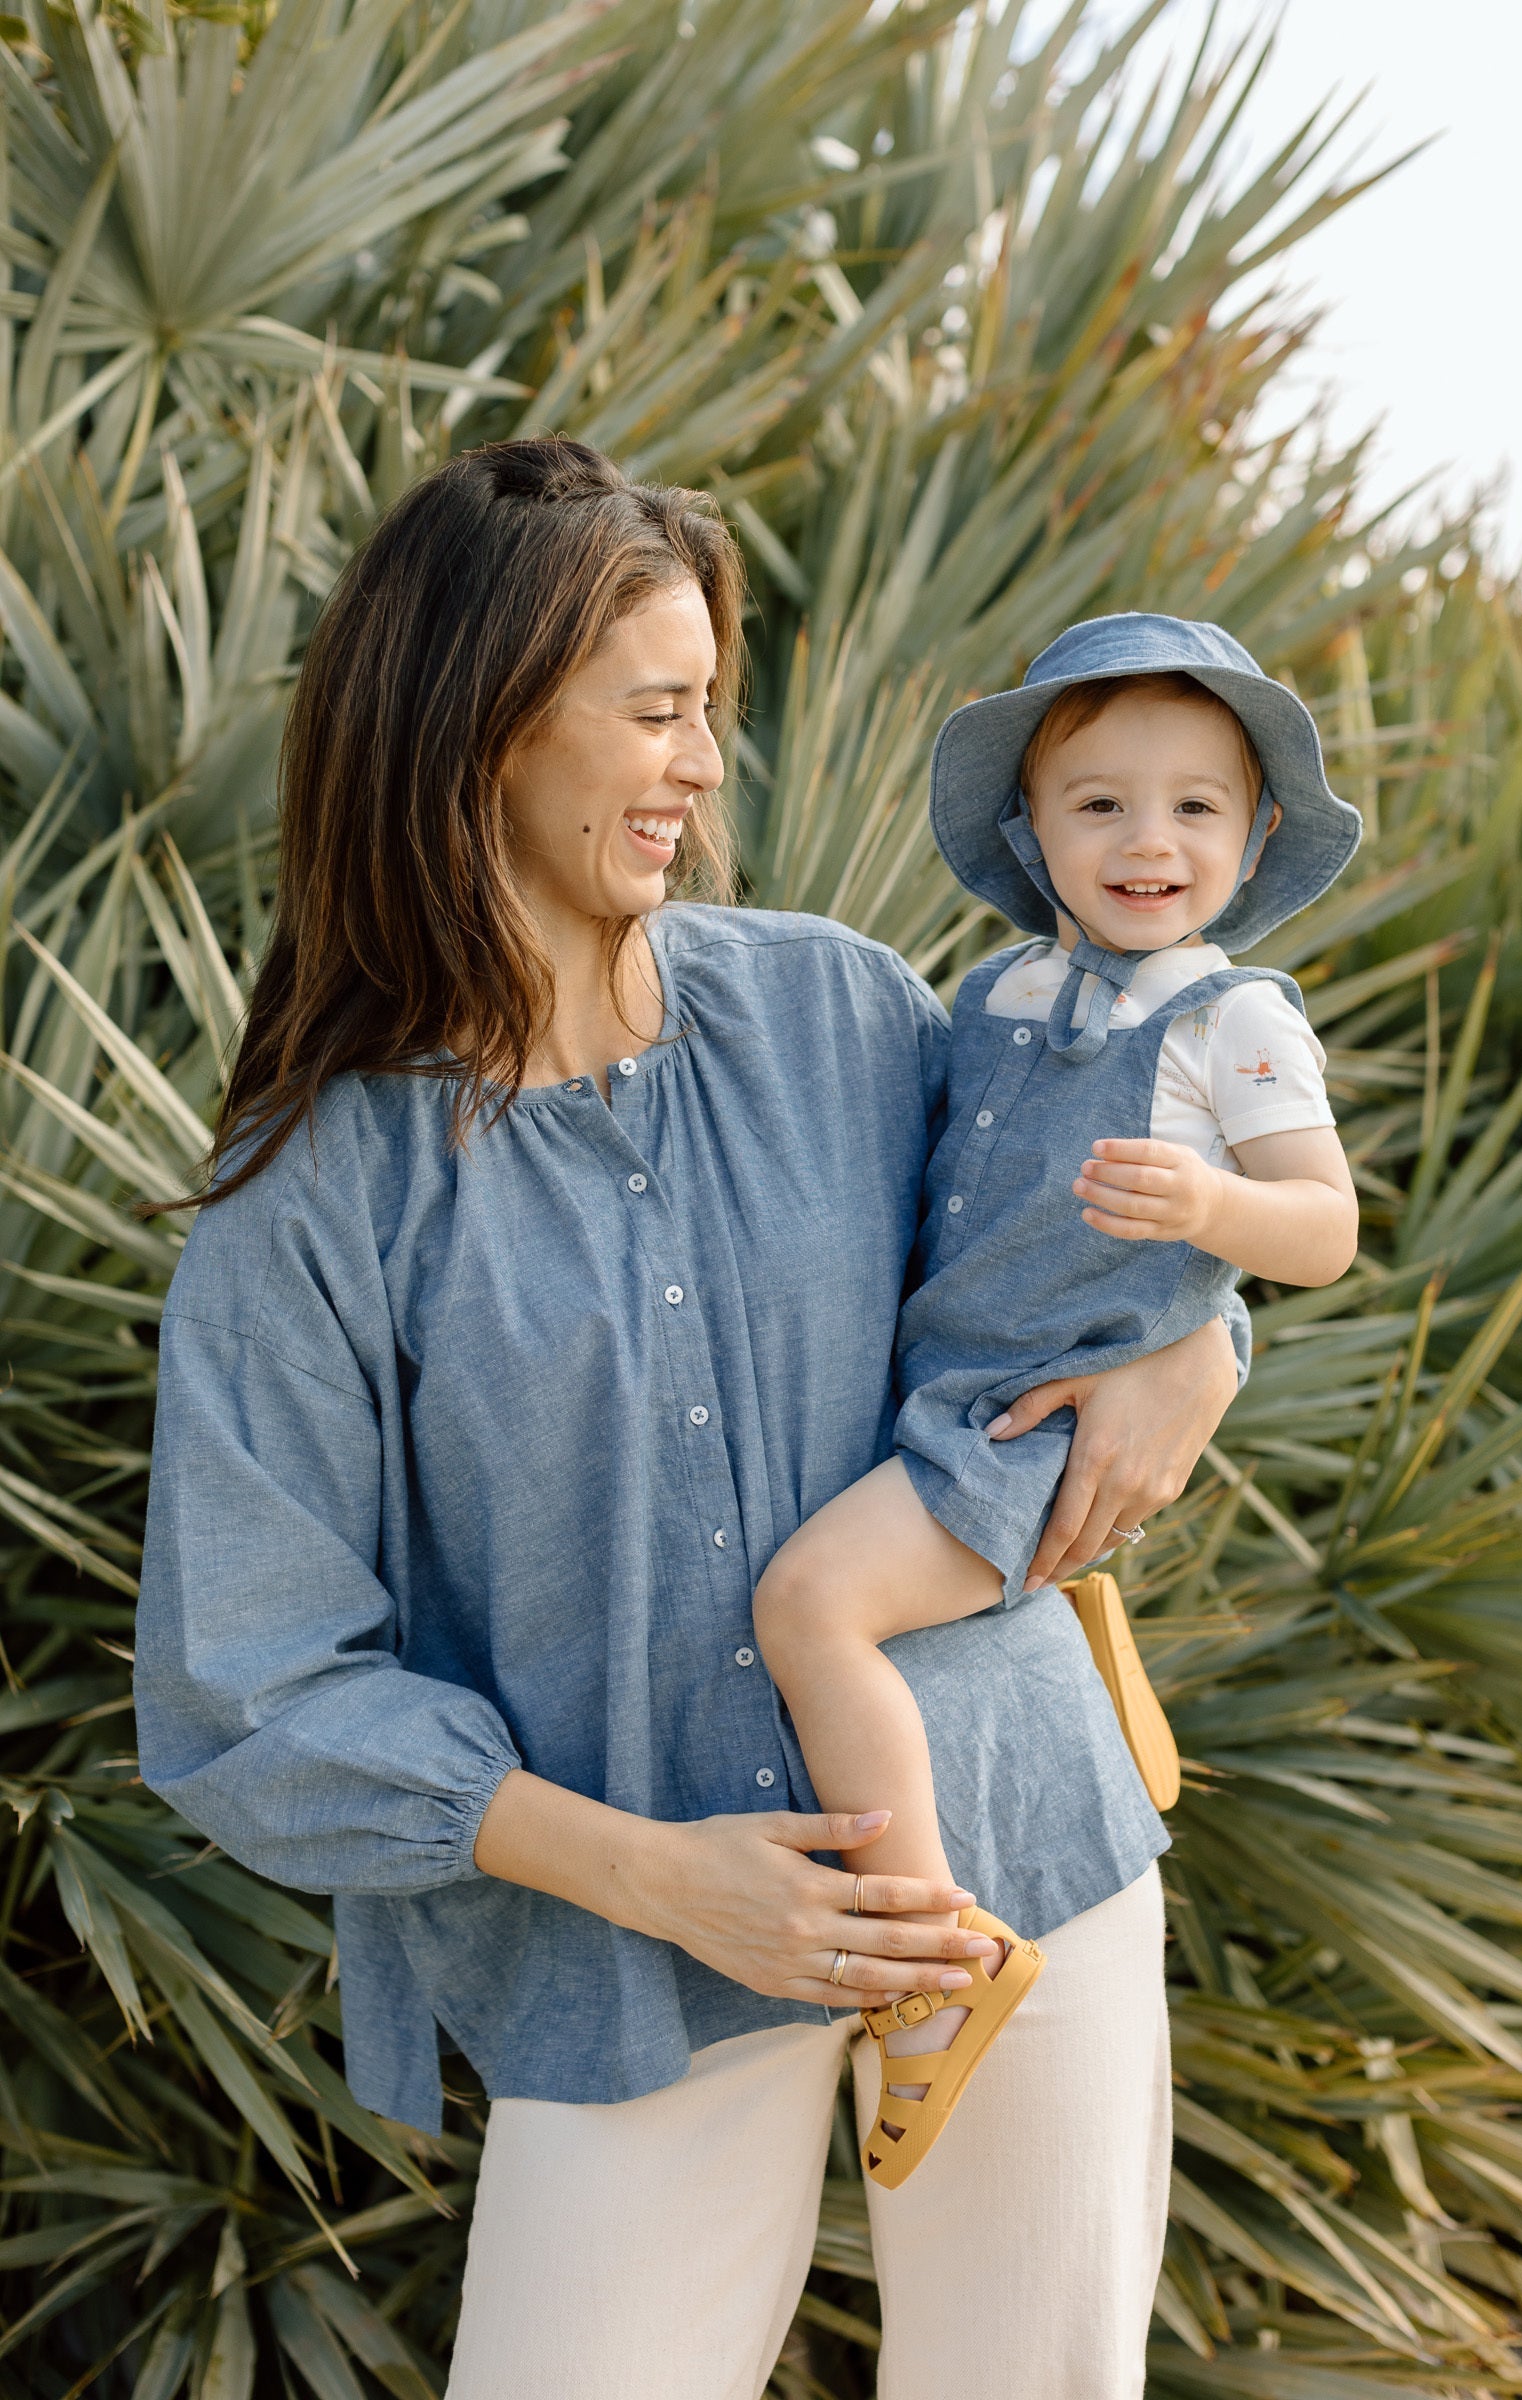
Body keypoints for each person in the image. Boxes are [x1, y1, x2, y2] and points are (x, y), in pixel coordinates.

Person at [133, 441, 1250, 2400]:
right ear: (484, 725)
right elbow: (251, 1686)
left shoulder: (837, 1010)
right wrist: (664, 1877)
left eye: (707, 709)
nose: (703, 765)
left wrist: (1196, 1349)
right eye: (656, 711)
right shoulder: (313, 1197)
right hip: (633, 1950)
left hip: (1018, 1848)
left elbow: (1084, 1230)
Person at [752, 619, 1362, 2190]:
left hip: (1033, 1426)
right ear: (1032, 832)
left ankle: (931, 1965)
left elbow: (1326, 1226)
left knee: (812, 1607)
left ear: (1256, 835)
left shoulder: (1233, 1022)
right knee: (838, 1597)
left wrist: (1212, 1218)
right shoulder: (1001, 989)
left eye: (1195, 807)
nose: (1149, 840)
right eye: (1100, 804)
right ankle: (1056, 1674)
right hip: (938, 1396)